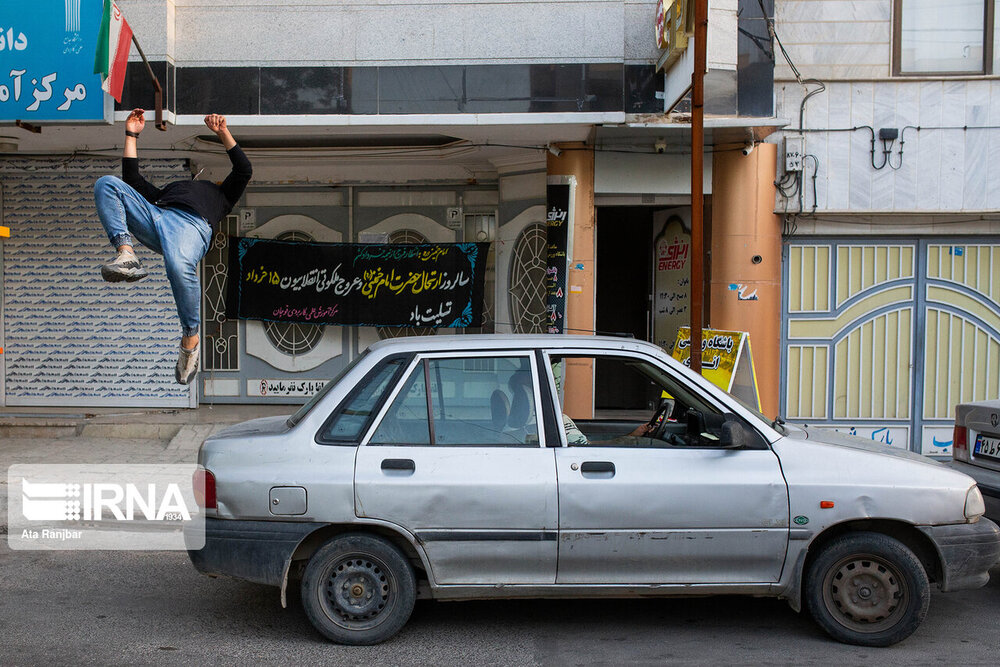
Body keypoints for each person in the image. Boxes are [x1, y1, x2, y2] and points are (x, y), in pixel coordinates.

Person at [94, 109, 252, 385]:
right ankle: (126, 254)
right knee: (107, 184)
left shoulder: (223, 196)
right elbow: (132, 181)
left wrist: (222, 132)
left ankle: (190, 337)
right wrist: (131, 134)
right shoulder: (166, 193)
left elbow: (243, 169)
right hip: (158, 216)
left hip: (191, 228)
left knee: (178, 265)